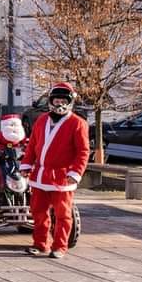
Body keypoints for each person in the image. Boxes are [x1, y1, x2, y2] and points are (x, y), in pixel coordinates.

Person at [21, 83, 89, 259]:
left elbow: (83, 151)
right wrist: (26, 164)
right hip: (40, 175)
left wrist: (76, 173)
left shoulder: (77, 123)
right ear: (51, 101)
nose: (59, 103)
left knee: (63, 214)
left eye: (63, 100)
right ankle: (40, 244)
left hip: (62, 176)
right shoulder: (41, 120)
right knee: (38, 212)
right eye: (56, 99)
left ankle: (60, 246)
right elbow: (32, 145)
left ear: (69, 102)